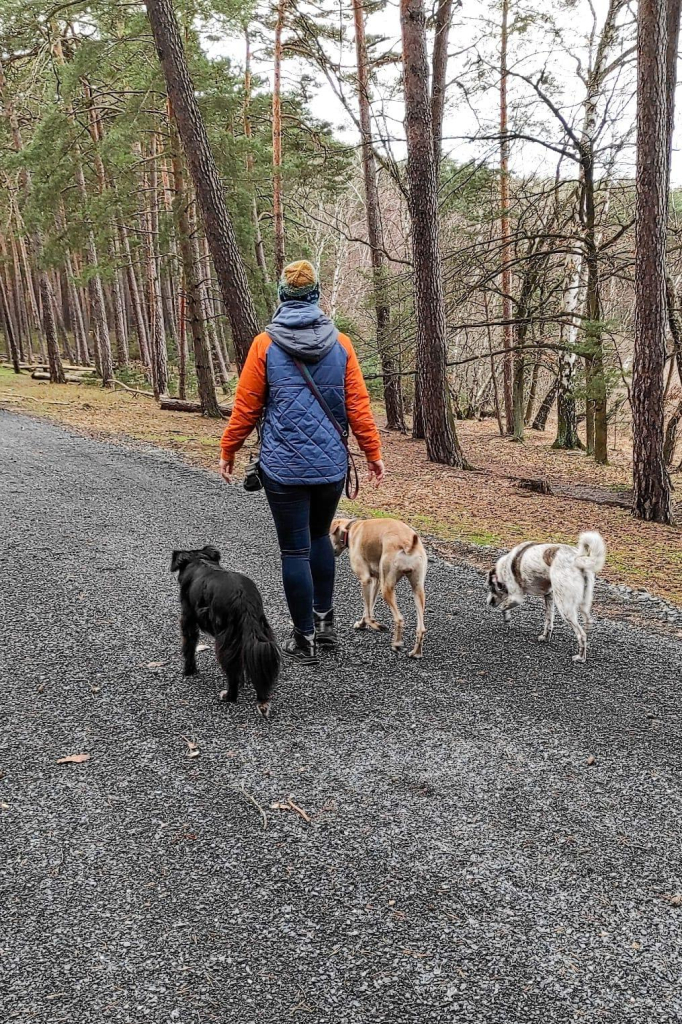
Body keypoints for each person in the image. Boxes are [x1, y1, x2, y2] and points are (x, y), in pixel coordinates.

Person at [219, 260, 385, 665]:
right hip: (329, 466)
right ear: (316, 297)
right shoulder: (341, 343)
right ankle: (325, 626)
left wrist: (229, 448)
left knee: (294, 551)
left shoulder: (264, 345)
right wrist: (373, 453)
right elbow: (358, 407)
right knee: (317, 540)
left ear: (282, 297)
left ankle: (304, 638)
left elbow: (246, 407)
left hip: (283, 468)